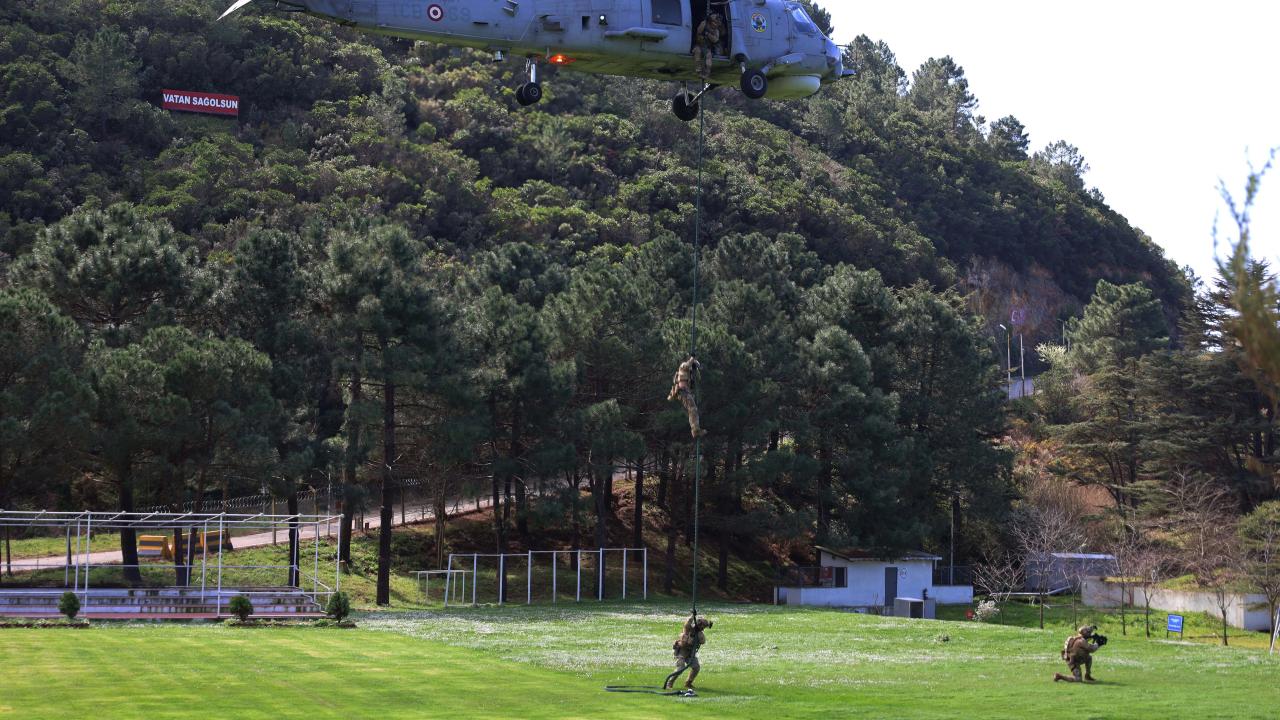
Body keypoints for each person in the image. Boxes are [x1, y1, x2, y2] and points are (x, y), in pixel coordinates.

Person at [664, 613, 713, 690]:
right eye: (702, 626)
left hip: (690, 653)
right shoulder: (688, 628)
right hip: (681, 652)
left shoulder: (700, 634)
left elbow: (703, 641)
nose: (703, 629)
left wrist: (698, 637)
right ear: (698, 624)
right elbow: (687, 623)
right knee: (680, 668)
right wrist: (692, 616)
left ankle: (688, 683)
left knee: (696, 667)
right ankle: (669, 683)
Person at [668, 355, 705, 438]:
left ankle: (696, 429)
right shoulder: (683, 366)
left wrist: (696, 369)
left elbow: (697, 379)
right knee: (693, 409)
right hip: (683, 392)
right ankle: (695, 430)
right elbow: (687, 365)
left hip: (686, 392)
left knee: (693, 410)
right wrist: (692, 359)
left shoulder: (690, 372)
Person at [692, 12, 725, 82]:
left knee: (708, 56)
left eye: (717, 23)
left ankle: (707, 73)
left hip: (707, 47)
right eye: (714, 22)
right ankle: (699, 71)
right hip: (699, 44)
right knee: (697, 52)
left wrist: (708, 34)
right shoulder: (704, 24)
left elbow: (715, 40)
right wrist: (701, 36)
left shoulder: (716, 31)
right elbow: (698, 32)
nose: (715, 24)